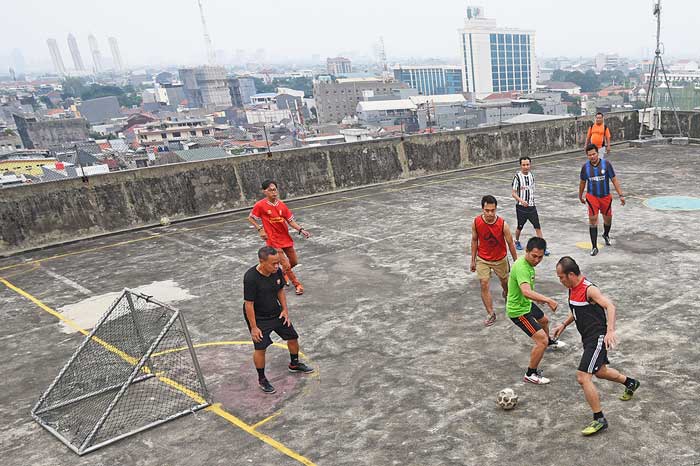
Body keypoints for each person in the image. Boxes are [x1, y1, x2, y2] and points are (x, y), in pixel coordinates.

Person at [553, 256, 640, 436]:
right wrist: (563, 324)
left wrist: (610, 331)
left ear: (570, 274)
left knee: (583, 377)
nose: (560, 280)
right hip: (587, 338)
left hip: (597, 337)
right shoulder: (572, 288)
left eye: (561, 277)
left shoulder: (589, 289)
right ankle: (630, 383)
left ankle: (599, 419)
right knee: (600, 372)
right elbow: (576, 310)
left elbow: (610, 306)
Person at [243, 246, 314, 394]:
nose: (276, 266)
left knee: (293, 337)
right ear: (261, 261)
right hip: (258, 317)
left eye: (278, 263)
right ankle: (262, 379)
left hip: (275, 312)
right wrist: (254, 327)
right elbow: (248, 304)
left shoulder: (277, 272)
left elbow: (280, 290)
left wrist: (285, 310)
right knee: (260, 347)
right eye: (273, 264)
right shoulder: (251, 278)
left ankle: (294, 364)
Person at [506, 236, 564, 385]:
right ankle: (530, 373)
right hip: (518, 311)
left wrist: (536, 298)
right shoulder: (522, 267)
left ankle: (549, 342)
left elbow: (526, 291)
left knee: (544, 320)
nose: (537, 260)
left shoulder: (529, 265)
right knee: (541, 341)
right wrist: (547, 299)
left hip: (526, 304)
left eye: (540, 257)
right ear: (526, 251)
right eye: (534, 256)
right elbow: (525, 291)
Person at [248, 179, 311, 295]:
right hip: (273, 240)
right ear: (264, 192)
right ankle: (297, 284)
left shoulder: (282, 205)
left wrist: (301, 230)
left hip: (285, 239)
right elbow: (251, 218)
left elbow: (291, 221)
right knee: (285, 264)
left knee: (294, 261)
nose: (274, 192)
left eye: (275, 190)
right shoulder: (260, 205)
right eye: (270, 190)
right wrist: (260, 229)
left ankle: (282, 274)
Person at [470, 195, 518, 327]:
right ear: (482, 209)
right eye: (487, 210)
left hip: (500, 259)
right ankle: (491, 313)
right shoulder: (476, 222)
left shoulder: (503, 224)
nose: (490, 213)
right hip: (483, 259)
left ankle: (506, 293)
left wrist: (517, 263)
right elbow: (474, 240)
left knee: (505, 283)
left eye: (493, 210)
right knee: (484, 284)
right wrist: (473, 260)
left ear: (496, 209)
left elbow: (510, 244)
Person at [579, 144, 626, 256]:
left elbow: (614, 180)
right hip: (592, 197)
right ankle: (594, 247)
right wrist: (580, 195)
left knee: (608, 220)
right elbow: (582, 182)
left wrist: (621, 195)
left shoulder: (606, 164)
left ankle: (605, 234)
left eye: (594, 154)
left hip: (605, 197)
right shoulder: (585, 167)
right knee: (593, 220)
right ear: (587, 156)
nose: (592, 156)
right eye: (589, 155)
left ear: (598, 153)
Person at [511, 156, 549, 256]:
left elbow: (532, 190)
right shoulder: (517, 177)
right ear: (520, 166)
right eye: (523, 165)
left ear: (530, 165)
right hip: (521, 208)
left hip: (532, 207)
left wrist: (530, 200)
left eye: (527, 164)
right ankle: (517, 241)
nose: (526, 167)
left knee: (537, 227)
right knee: (520, 227)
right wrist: (521, 201)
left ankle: (542, 247)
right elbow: (513, 193)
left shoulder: (531, 176)